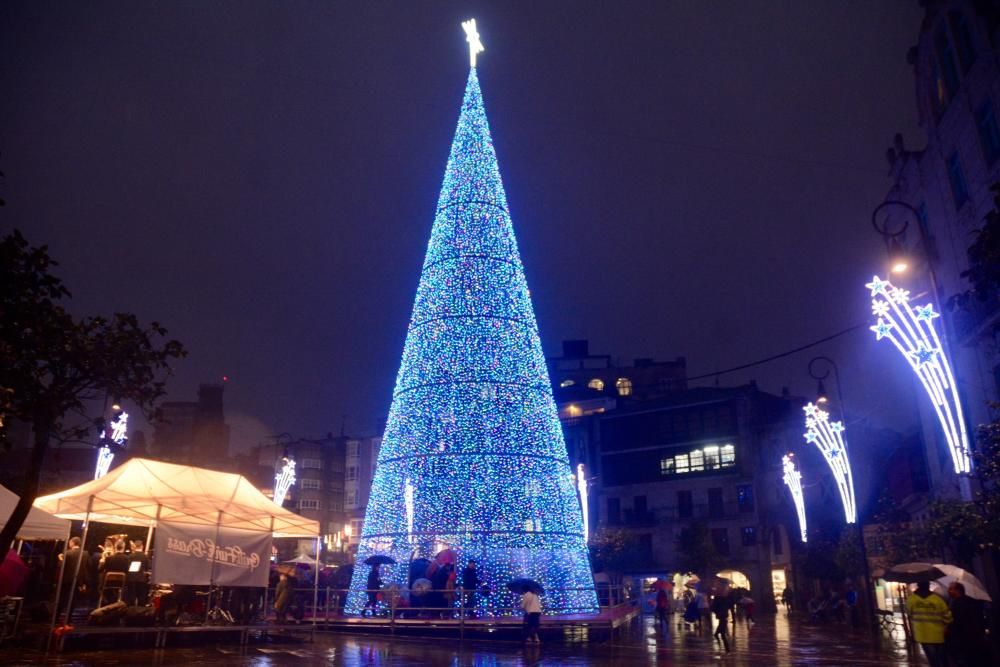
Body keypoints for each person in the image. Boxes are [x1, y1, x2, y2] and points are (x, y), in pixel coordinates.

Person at [906, 580, 952, 667]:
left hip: (922, 634)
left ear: (918, 586)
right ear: (928, 586)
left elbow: (909, 613)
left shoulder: (911, 599)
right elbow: (947, 616)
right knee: (941, 657)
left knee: (932, 659)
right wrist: (947, 624)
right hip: (938, 634)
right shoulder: (937, 599)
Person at [946, 582, 986, 667]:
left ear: (958, 590)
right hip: (975, 636)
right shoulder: (970, 601)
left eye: (950, 589)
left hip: (964, 637)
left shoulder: (957, 604)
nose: (948, 591)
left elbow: (957, 621)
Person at [58, 537, 90, 617]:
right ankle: (69, 618)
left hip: (67, 580)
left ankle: (57, 616)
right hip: (79, 580)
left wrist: (60, 559)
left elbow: (62, 567)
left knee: (62, 598)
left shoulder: (67, 553)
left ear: (72, 543)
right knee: (73, 600)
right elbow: (88, 566)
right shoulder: (85, 553)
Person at [125, 540, 151, 606]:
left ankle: (130, 612)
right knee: (141, 598)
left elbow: (127, 568)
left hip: (131, 579)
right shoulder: (145, 557)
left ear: (135, 546)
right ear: (142, 546)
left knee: (131, 598)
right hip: (142, 580)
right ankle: (140, 612)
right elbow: (148, 568)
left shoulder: (130, 556)